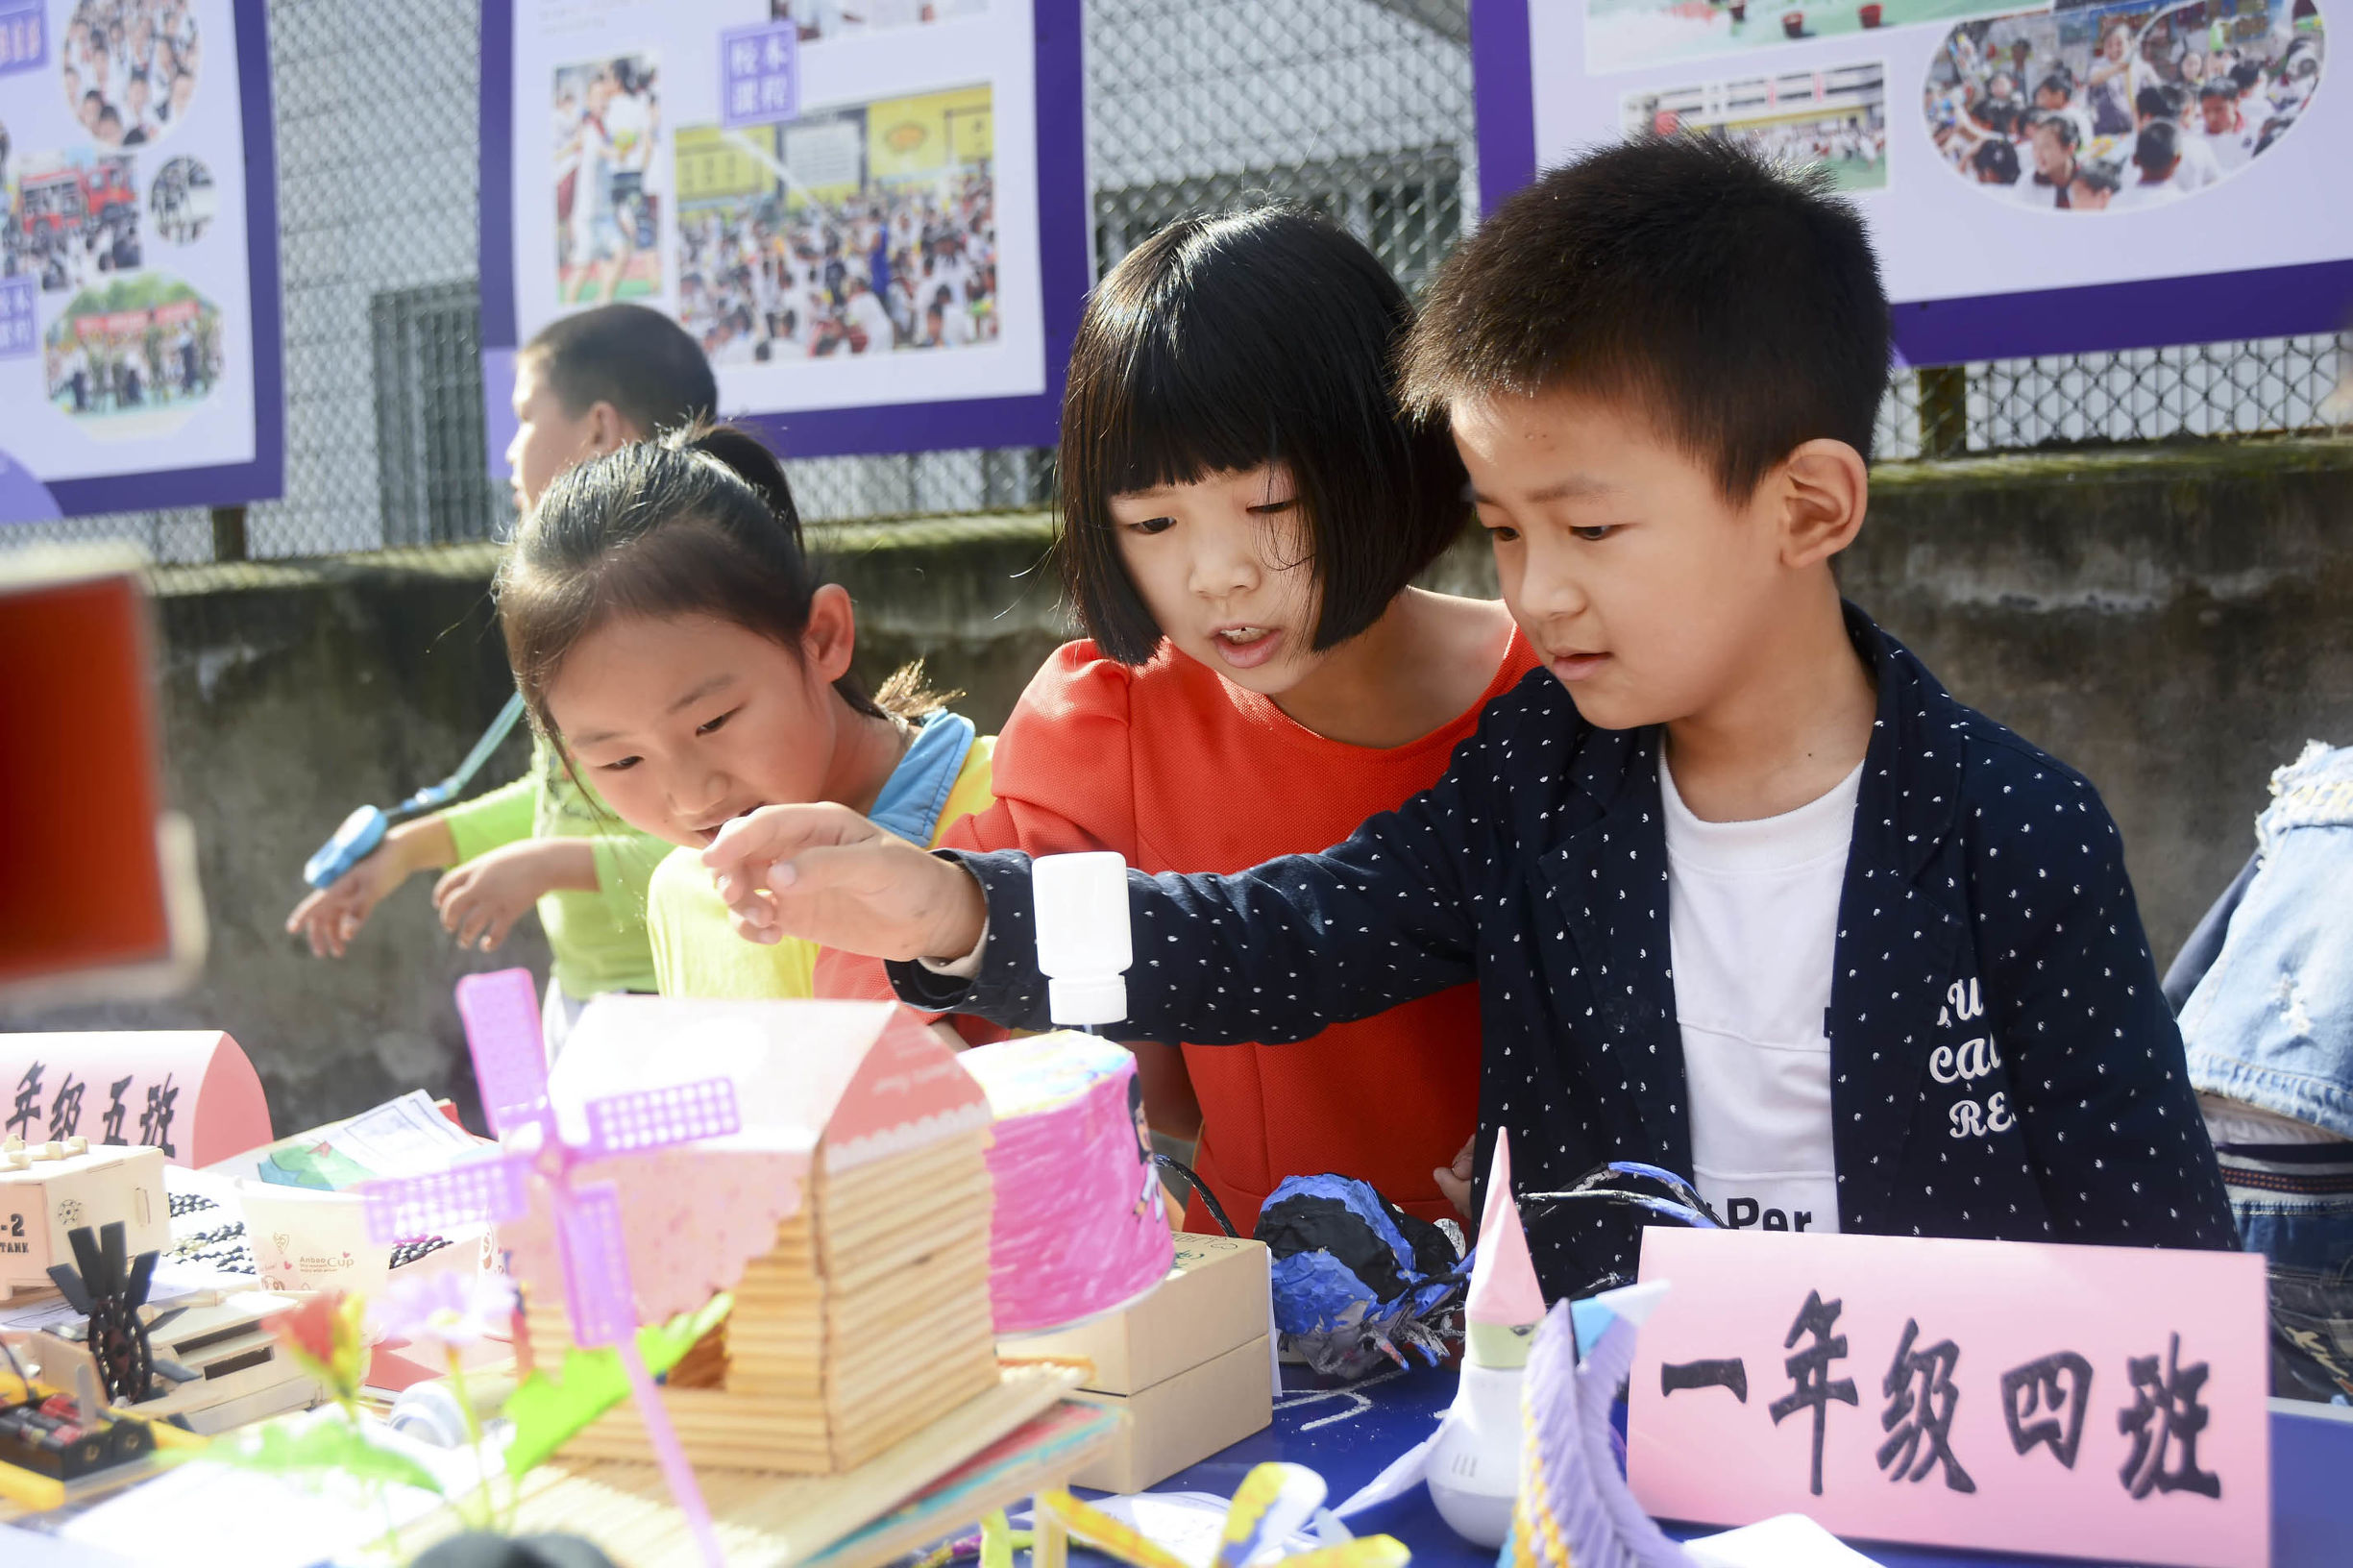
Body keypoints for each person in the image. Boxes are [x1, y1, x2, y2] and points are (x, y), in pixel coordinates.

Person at [700, 139, 2238, 1298]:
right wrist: (956, 906)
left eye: (1590, 529)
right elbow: (1266, 940)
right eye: (1504, 533)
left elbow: (2164, 1280)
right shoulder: (1539, 782)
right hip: (1594, 1455)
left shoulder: (2013, 836)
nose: (1541, 594)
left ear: (1808, 504)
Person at [729, 204, 1538, 1235]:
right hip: (1256, 1322)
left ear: (1388, 454)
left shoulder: (1565, 701)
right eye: (1153, 524)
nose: (1219, 574)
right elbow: (911, 941)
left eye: (1273, 504)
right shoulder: (1113, 720)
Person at [285, 305, 710, 1052]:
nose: (508, 453)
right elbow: (565, 802)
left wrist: (550, 865)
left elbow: (726, 838)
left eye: (522, 418)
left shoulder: (677, 615)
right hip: (585, 997)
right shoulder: (584, 606)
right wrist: (404, 853)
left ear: (599, 430)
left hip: (679, 997)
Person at [494, 422, 997, 1007]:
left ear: (823, 638)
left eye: (713, 722)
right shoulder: (684, 891)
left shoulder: (1013, 801)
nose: (692, 795)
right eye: (621, 759)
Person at [2197, 79, 2258, 172]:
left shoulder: (2256, 131)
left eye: (2219, 110)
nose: (2212, 117)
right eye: (2206, 111)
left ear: (2236, 103)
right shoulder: (2194, 136)